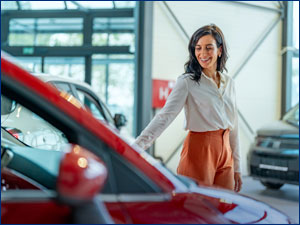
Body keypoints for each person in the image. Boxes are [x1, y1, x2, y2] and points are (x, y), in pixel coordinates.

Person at [133, 24, 242, 192]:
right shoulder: (187, 82)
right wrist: (136, 148)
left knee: (225, 207)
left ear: (219, 50)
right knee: (197, 207)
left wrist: (237, 166)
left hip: (225, 150)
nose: (203, 54)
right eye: (198, 48)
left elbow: (234, 124)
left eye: (208, 48)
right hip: (200, 149)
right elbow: (164, 117)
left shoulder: (230, 83)